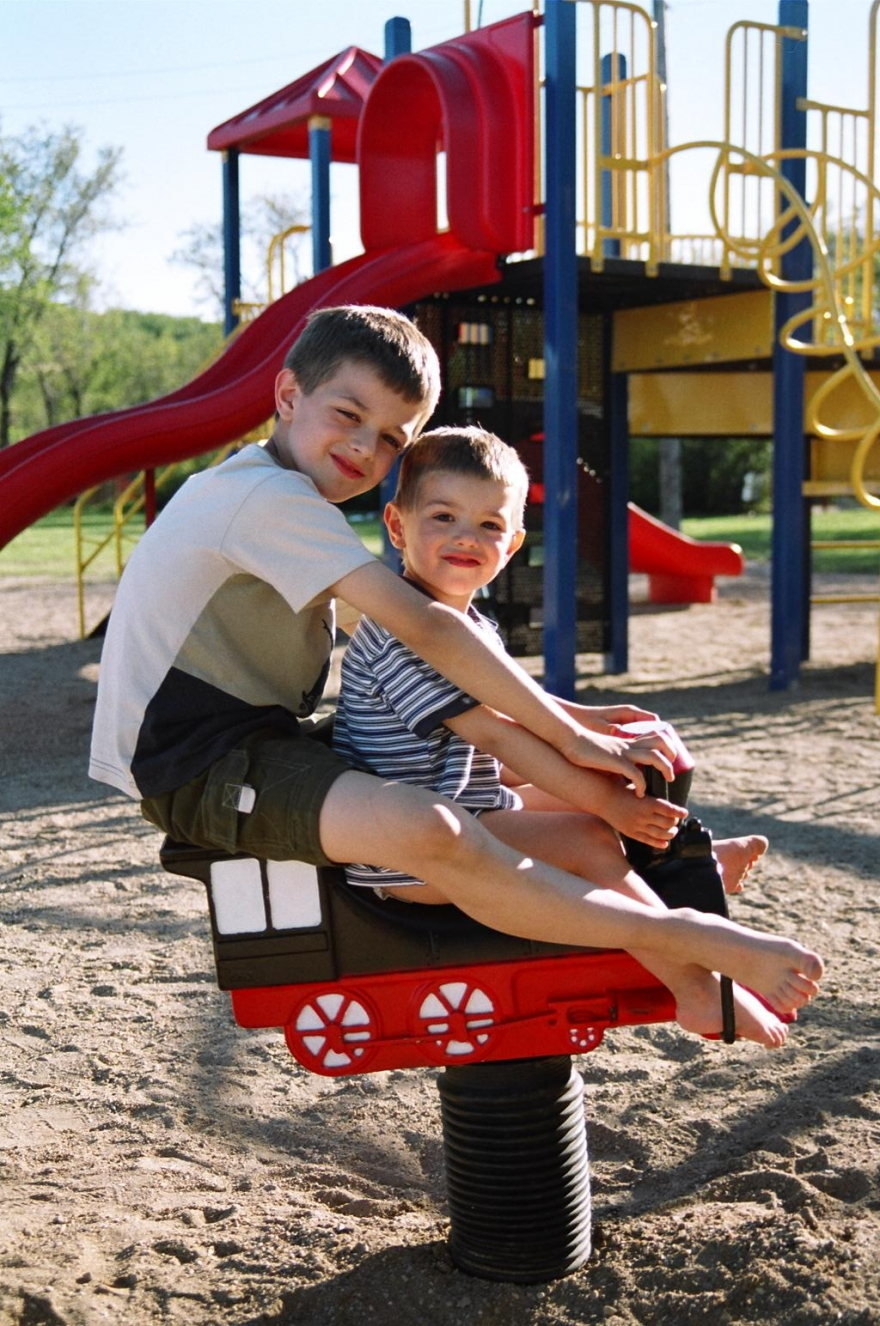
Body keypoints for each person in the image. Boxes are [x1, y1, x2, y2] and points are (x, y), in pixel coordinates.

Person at [89, 304, 822, 1051]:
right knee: (432, 824)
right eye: (348, 413)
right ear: (286, 397)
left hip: (260, 743)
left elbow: (449, 662)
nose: (364, 447)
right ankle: (684, 936)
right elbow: (425, 630)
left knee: (543, 804)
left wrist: (583, 721)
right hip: (197, 767)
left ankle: (678, 912)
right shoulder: (264, 498)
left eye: (391, 439)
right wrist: (572, 734)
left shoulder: (275, 500)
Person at [332, 423, 822, 1047]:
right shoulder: (405, 629)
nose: (465, 538)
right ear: (397, 527)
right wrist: (606, 801)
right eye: (444, 517)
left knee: (594, 794)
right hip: (408, 851)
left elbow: (521, 701)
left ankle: (674, 866)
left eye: (488, 526)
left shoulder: (465, 619)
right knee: (589, 830)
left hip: (463, 800)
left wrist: (592, 720)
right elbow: (502, 735)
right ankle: (694, 988)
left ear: (511, 545)